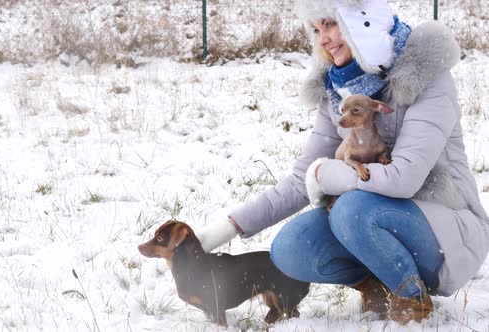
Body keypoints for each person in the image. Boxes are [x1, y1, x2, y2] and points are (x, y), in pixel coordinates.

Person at [196, 0, 489, 325]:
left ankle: (412, 297)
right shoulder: (339, 91)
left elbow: (404, 179)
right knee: (290, 248)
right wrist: (229, 227)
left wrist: (328, 174)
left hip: (445, 231)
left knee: (351, 208)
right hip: (374, 221)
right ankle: (377, 283)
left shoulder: (427, 79)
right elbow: (300, 181)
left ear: (362, 22)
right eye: (316, 29)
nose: (322, 39)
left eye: (330, 24)